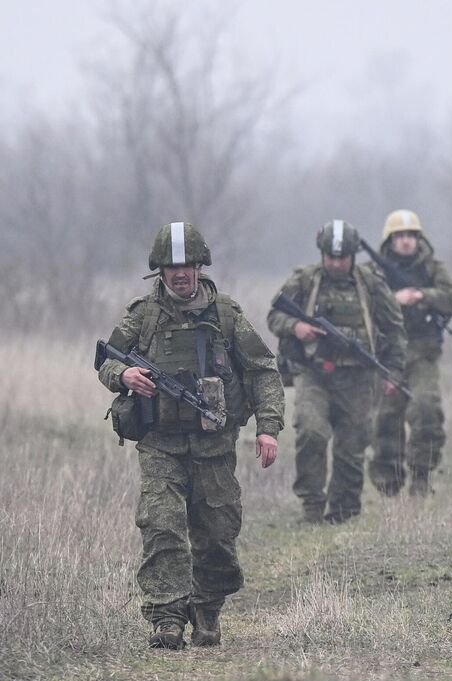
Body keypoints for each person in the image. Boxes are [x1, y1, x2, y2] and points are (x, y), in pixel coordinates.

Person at [97, 222, 284, 650]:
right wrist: (124, 373)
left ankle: (207, 608)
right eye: (171, 267)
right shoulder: (141, 316)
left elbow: (263, 372)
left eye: (187, 265)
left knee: (216, 532)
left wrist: (268, 428)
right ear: (159, 271)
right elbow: (105, 360)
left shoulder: (226, 316)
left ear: (200, 266)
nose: (180, 273)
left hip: (214, 445)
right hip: (159, 442)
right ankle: (166, 617)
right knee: (162, 525)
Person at [267, 219, 405, 524]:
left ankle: (344, 510)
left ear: (353, 256)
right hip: (313, 373)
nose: (336, 263)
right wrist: (297, 326)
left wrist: (393, 371)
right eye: (330, 257)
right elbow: (274, 315)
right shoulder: (305, 280)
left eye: (342, 258)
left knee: (352, 445)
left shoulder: (371, 283)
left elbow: (394, 329)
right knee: (311, 431)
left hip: (358, 377)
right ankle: (312, 506)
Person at [365, 209, 452, 497]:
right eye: (400, 236)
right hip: (387, 355)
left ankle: (422, 476)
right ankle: (388, 485)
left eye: (411, 235)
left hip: (423, 352)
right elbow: (362, 304)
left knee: (426, 408)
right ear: (390, 240)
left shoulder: (432, 268)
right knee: (385, 418)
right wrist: (392, 300)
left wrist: (423, 295)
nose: (406, 241)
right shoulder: (374, 271)